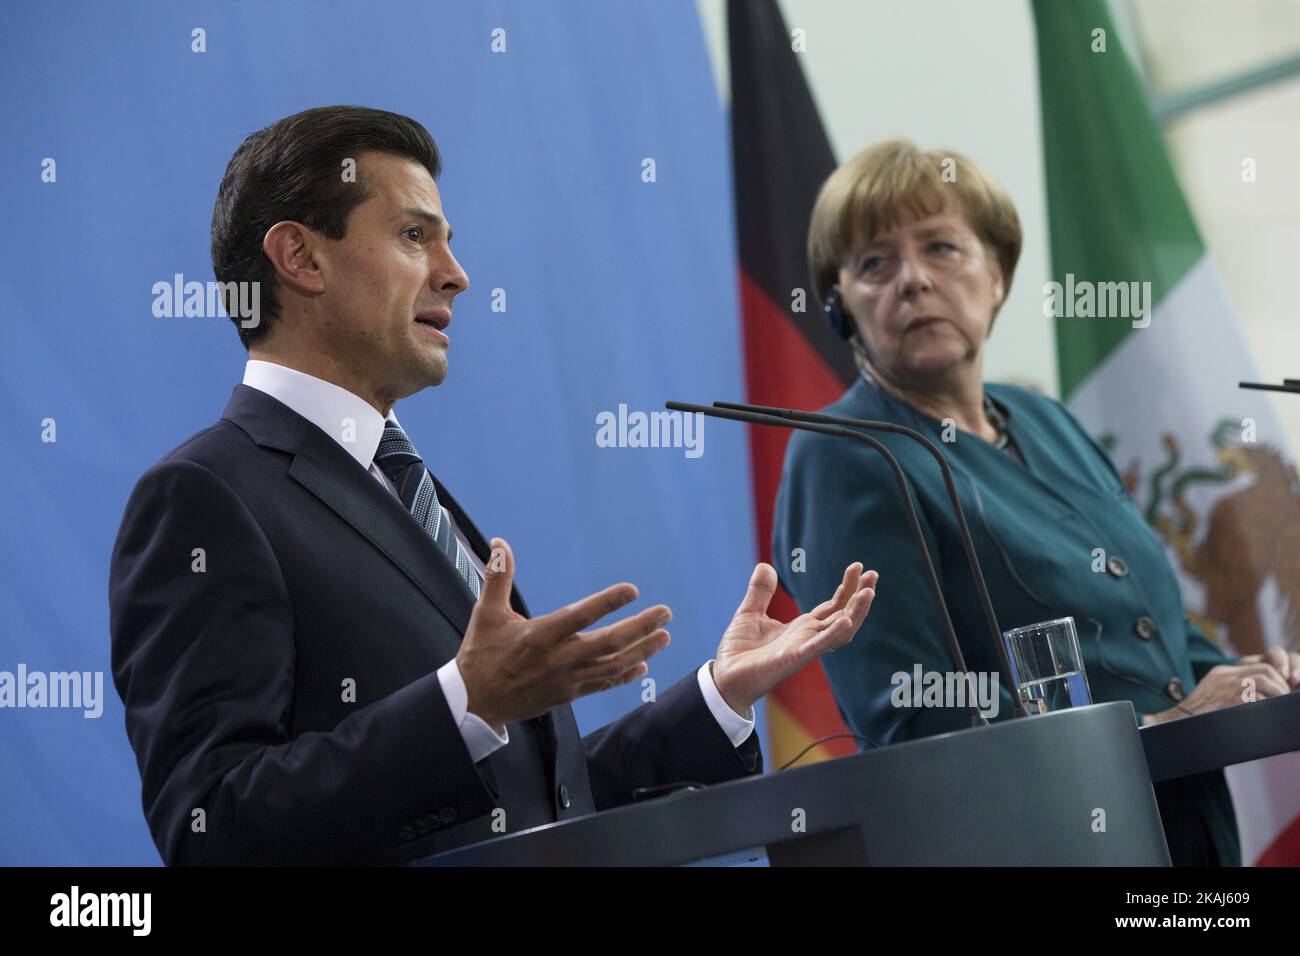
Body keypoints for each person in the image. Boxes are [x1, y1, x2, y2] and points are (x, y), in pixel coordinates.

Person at [108, 106, 878, 866]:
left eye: (449, 241)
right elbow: (211, 826)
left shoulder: (401, 482)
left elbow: (530, 801)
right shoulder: (204, 497)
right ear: (301, 259)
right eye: (415, 236)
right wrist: (464, 703)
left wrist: (719, 697)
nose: (457, 274)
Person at [772, 139, 1300, 866]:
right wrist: (1160, 724)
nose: (913, 281)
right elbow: (914, 723)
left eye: (942, 248)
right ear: (841, 311)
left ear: (997, 275)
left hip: (1187, 829)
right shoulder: (844, 456)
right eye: (874, 264)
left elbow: (1152, 629)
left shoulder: (1042, 416)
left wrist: (1254, 678)